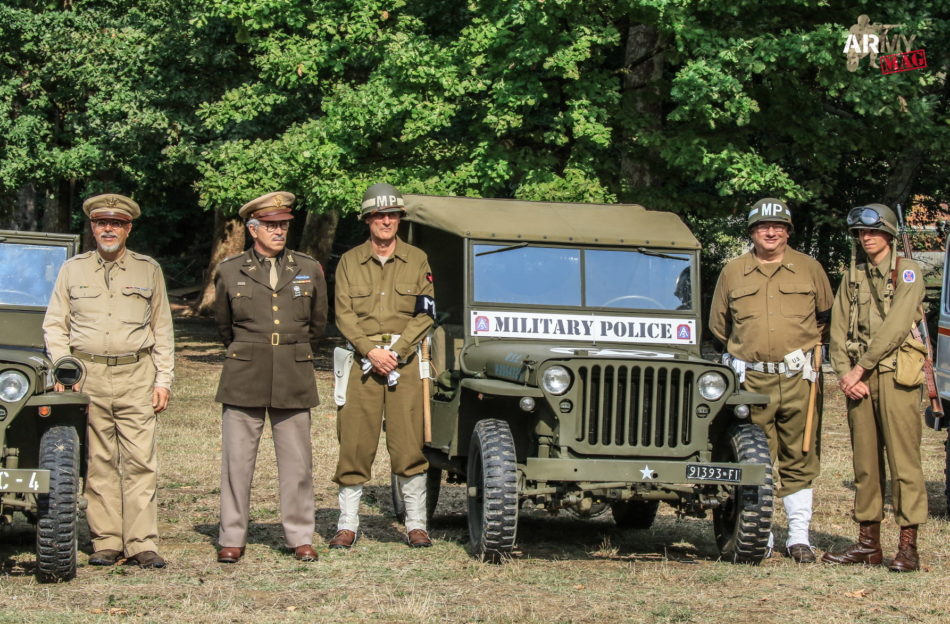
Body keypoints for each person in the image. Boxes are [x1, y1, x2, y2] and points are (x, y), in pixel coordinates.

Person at [43, 193, 174, 568]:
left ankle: (141, 542)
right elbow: (55, 324)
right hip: (88, 375)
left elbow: (161, 328)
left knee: (140, 460)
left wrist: (163, 379)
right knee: (98, 459)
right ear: (92, 227)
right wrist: (65, 371)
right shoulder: (73, 269)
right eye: (102, 223)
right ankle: (106, 540)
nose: (108, 229)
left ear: (128, 228)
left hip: (137, 373)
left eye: (116, 223)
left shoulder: (148, 270)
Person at [709, 198, 833, 562]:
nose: (771, 231)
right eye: (763, 226)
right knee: (754, 459)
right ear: (751, 232)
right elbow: (719, 325)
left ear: (788, 231)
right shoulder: (733, 271)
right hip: (752, 381)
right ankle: (759, 536)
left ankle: (798, 537)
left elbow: (825, 316)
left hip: (799, 378)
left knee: (801, 455)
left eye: (779, 226)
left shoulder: (810, 268)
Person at [212, 191, 328, 564]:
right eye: (272, 225)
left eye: (284, 225)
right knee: (237, 462)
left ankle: (299, 535)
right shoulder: (231, 270)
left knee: (297, 463)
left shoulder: (309, 267)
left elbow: (317, 323)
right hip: (245, 370)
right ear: (253, 228)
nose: (279, 232)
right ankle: (232, 536)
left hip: (293, 371)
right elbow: (223, 326)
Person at [329, 183, 436, 549]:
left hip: (403, 363)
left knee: (408, 443)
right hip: (361, 363)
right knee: (355, 442)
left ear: (399, 219)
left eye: (391, 215)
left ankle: (416, 524)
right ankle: (347, 523)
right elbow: (343, 314)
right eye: (378, 215)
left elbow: (426, 313)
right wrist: (370, 351)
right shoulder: (348, 261)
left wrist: (399, 350)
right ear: (368, 220)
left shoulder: (418, 259)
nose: (386, 221)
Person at [822, 203, 927, 572]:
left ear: (889, 235)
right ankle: (868, 544)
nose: (866, 238)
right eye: (861, 234)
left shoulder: (908, 273)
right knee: (865, 464)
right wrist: (844, 373)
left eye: (873, 232)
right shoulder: (852, 275)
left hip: (896, 376)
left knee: (904, 463)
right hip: (858, 382)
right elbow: (837, 329)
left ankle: (908, 548)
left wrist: (860, 369)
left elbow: (897, 327)